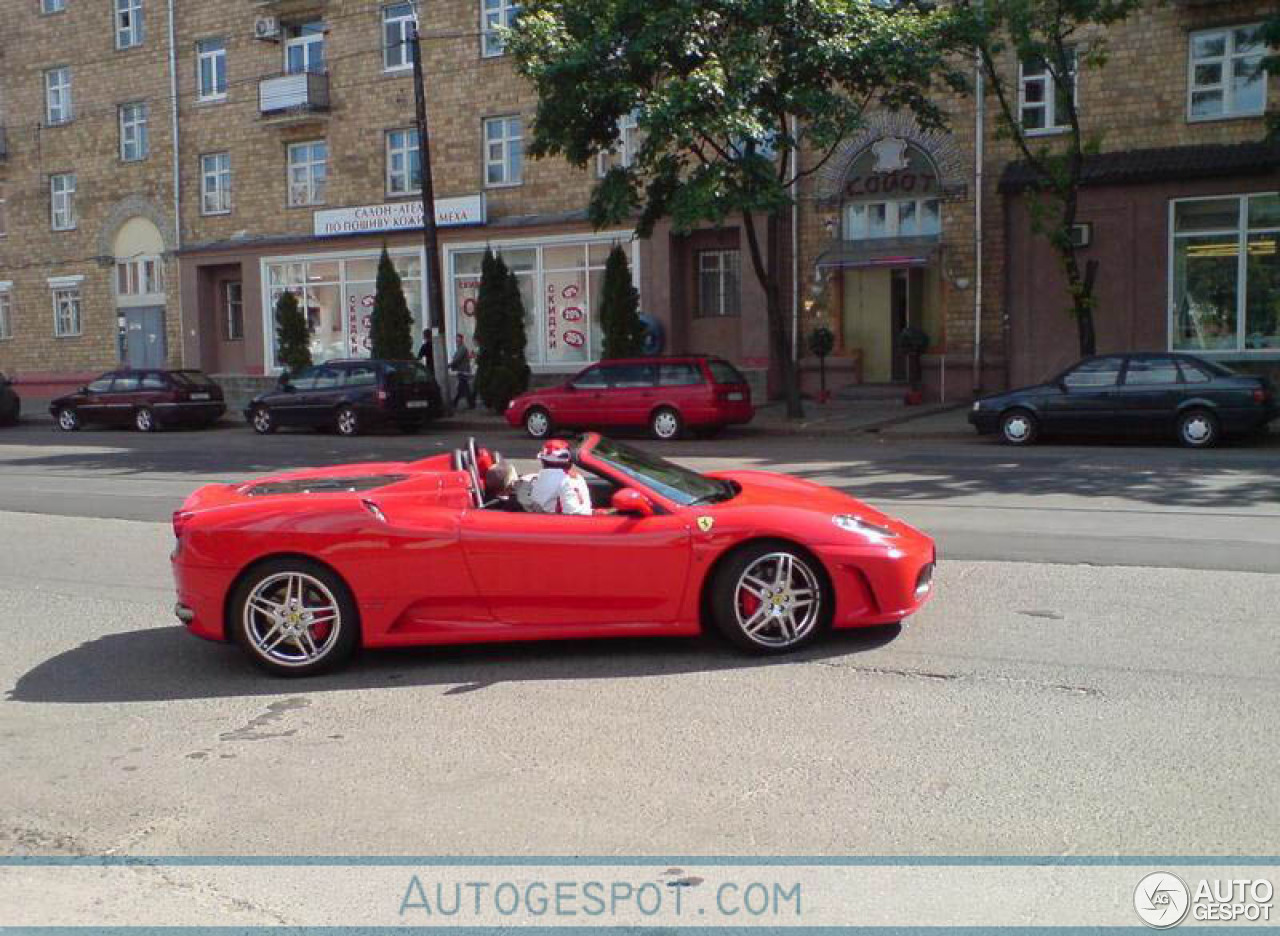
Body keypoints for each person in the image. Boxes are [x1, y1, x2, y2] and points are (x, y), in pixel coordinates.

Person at [527, 439, 591, 516]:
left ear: (543, 461)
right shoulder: (569, 480)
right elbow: (578, 514)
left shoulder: (534, 479)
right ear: (569, 460)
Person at [449, 334, 477, 410]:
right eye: (456, 339)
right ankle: (470, 403)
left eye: (458, 339)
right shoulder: (459, 348)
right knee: (463, 388)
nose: (457, 341)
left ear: (462, 340)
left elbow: (457, 359)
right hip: (461, 371)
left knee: (463, 388)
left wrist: (449, 365)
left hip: (463, 371)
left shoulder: (462, 348)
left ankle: (455, 402)